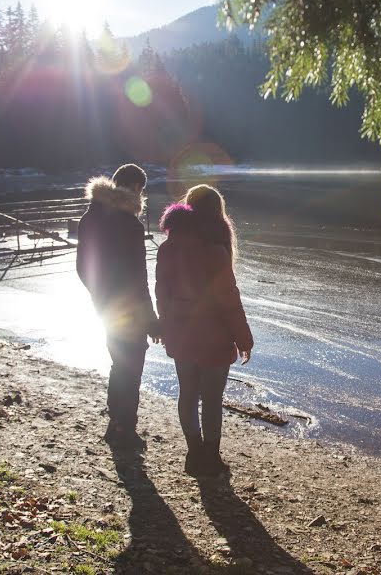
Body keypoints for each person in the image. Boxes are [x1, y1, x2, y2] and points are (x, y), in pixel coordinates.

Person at [155, 184, 253, 476]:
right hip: (214, 338)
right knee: (211, 400)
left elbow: (162, 292)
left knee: (187, 394)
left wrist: (166, 324)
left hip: (182, 335)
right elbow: (229, 301)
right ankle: (210, 456)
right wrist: (244, 338)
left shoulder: (168, 247)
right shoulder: (215, 250)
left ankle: (194, 454)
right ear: (216, 213)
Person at [77, 163, 159, 448]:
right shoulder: (129, 224)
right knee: (131, 367)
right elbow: (139, 277)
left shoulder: (90, 218)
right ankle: (125, 429)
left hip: (105, 307)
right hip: (130, 310)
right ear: (136, 188)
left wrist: (99, 296)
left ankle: (116, 425)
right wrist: (151, 319)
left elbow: (83, 267)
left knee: (118, 364)